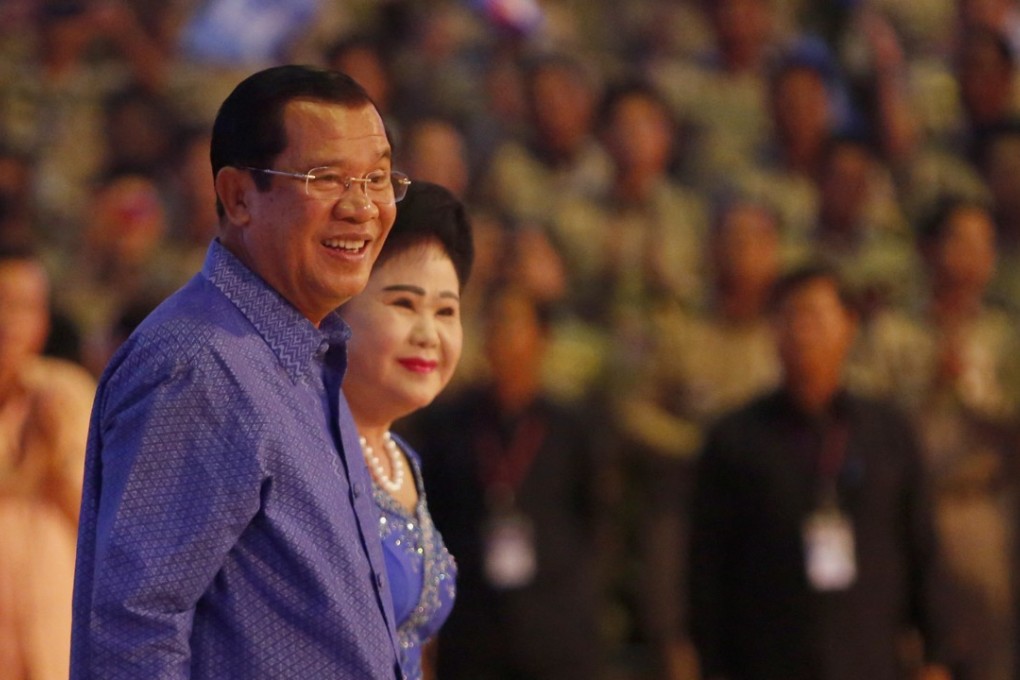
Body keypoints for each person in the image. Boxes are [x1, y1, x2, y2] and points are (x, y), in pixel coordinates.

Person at [70, 64, 410, 678]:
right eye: (326, 178)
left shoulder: (305, 350)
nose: (362, 207)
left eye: (378, 178)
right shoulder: (198, 365)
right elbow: (133, 634)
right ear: (237, 197)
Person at [689, 263, 953, 680]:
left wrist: (936, 656)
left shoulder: (888, 432)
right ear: (772, 331)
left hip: (869, 655)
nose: (801, 330)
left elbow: (922, 546)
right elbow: (707, 567)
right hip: (766, 656)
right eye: (789, 316)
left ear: (848, 325)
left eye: (815, 316)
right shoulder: (735, 438)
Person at [405, 283, 611, 680]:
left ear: (543, 337)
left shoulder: (573, 426)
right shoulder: (447, 424)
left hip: (556, 625)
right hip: (472, 624)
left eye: (513, 323)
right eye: (492, 323)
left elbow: (595, 521)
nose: (500, 335)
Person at [338, 181, 472, 679]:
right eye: (403, 304)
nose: (428, 334)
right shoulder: (307, 450)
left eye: (446, 312)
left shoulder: (402, 458)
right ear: (338, 307)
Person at [0, 245, 96, 680]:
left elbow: (101, 521)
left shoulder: (67, 392)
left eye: (23, 307)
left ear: (42, 319)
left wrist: (52, 460)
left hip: (55, 636)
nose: (8, 323)